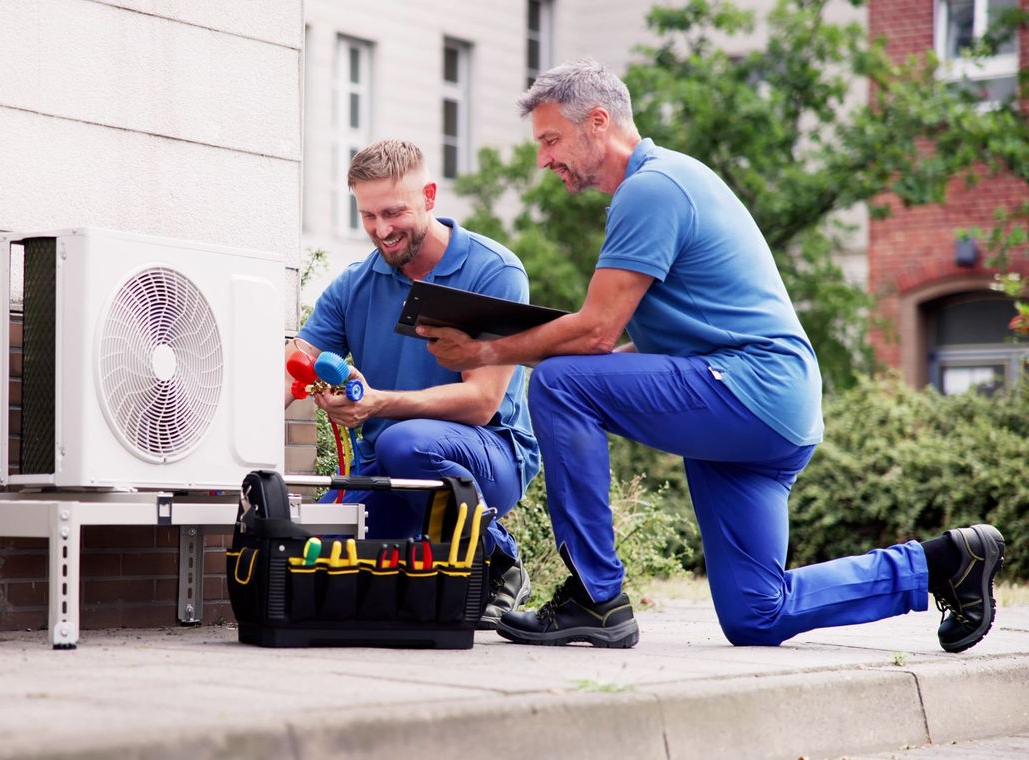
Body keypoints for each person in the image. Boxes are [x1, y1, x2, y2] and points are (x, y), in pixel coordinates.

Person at [420, 60, 1005, 650]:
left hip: (748, 388)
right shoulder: (669, 181)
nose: (544, 159)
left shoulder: (651, 189)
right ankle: (943, 563)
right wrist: (591, 370)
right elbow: (633, 344)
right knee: (757, 613)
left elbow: (594, 333)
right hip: (768, 408)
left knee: (560, 382)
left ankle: (594, 596)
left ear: (598, 122)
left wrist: (487, 349)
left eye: (550, 140)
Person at [285, 139, 540, 628]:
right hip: (386, 467)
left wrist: (377, 404)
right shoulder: (355, 284)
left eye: (393, 212)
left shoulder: (493, 271)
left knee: (405, 440)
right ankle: (440, 567)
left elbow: (482, 402)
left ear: (429, 195)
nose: (381, 230)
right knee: (306, 557)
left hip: (488, 457)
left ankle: (498, 557)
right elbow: (295, 361)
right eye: (368, 215)